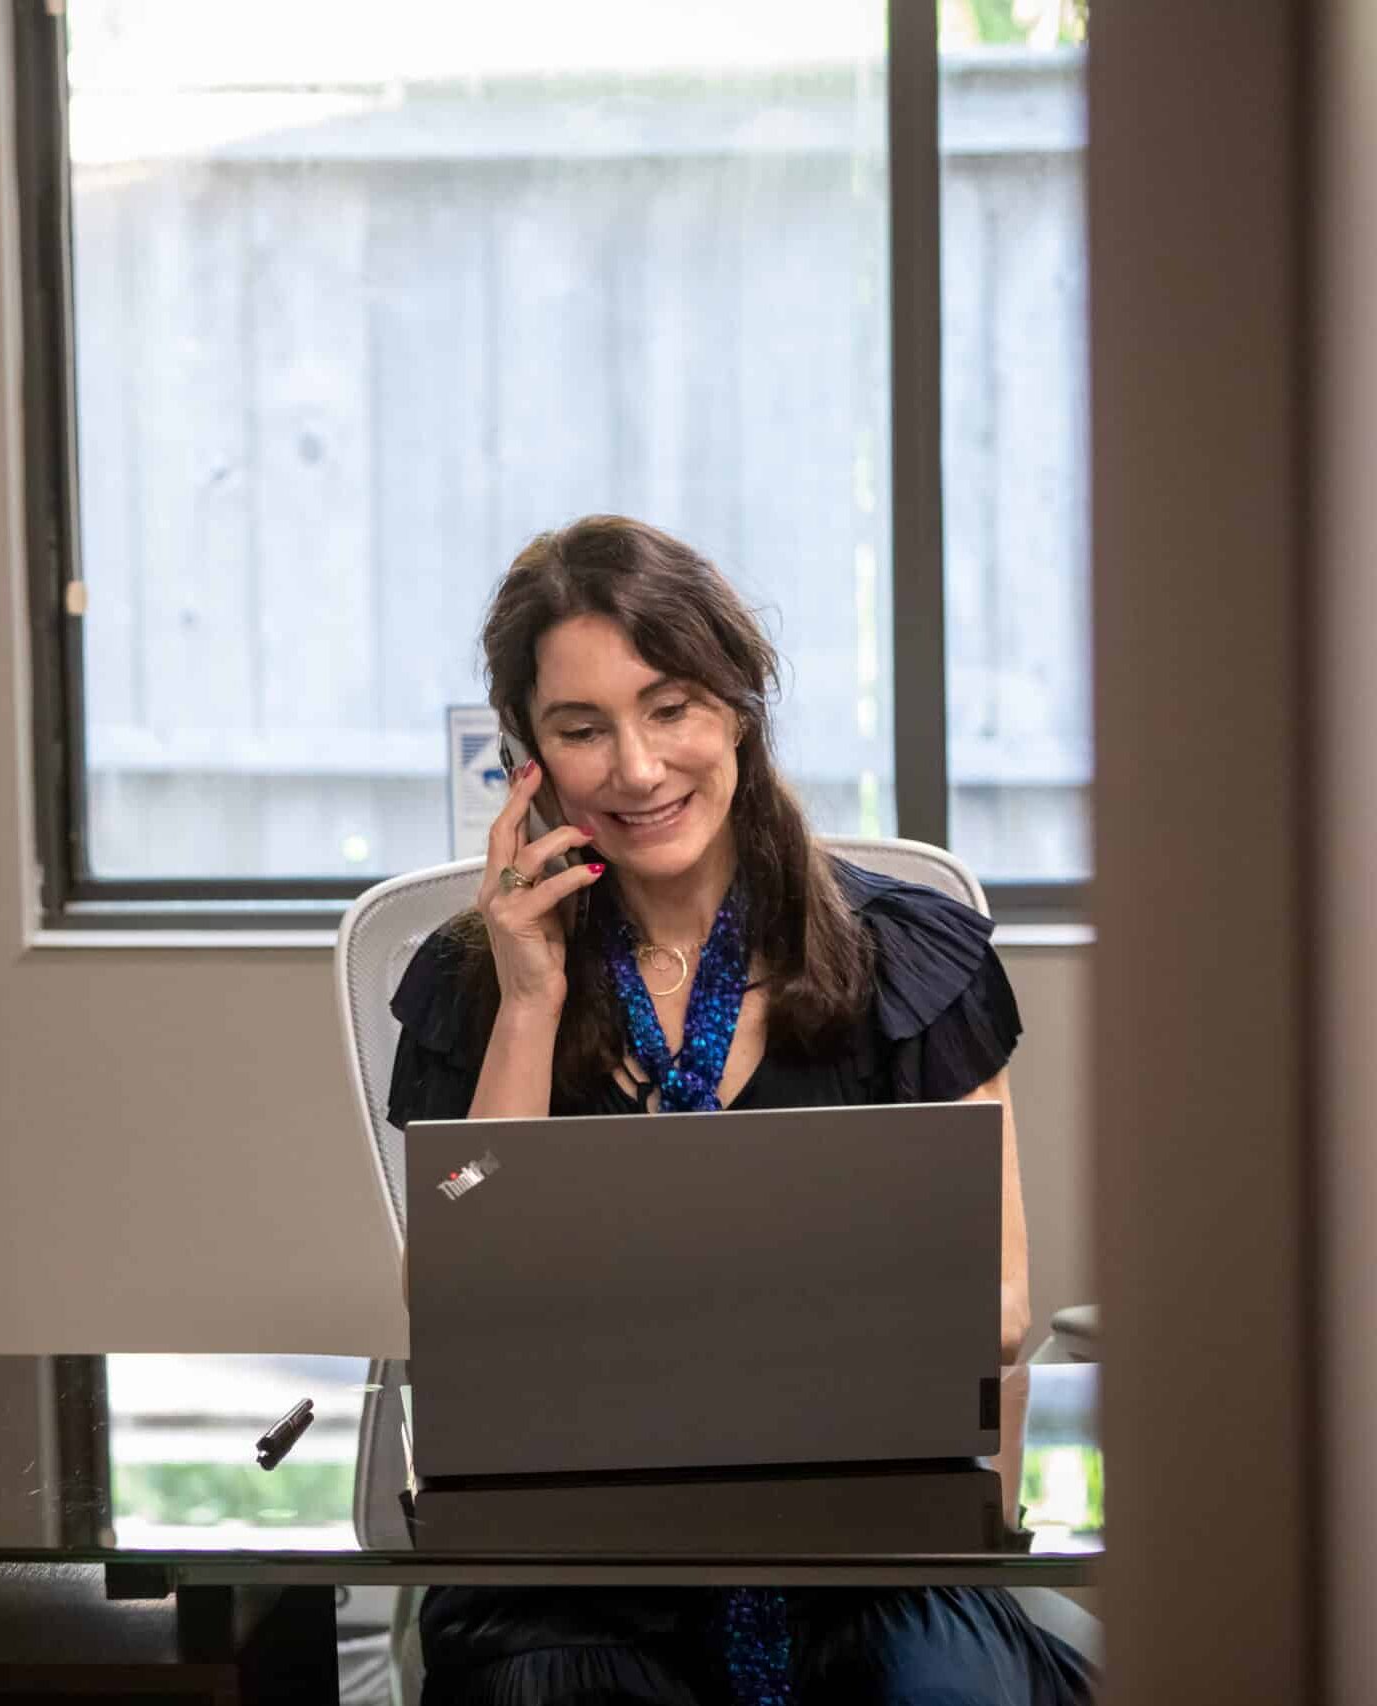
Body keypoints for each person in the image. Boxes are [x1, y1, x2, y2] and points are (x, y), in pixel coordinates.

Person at [385, 516, 1094, 1706]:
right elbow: (455, 1309)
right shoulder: (470, 982)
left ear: (737, 706)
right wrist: (529, 1005)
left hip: (868, 1537)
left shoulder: (909, 955)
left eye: (669, 707)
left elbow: (1001, 1308)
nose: (637, 767)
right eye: (581, 728)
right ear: (531, 757)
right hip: (572, 1565)